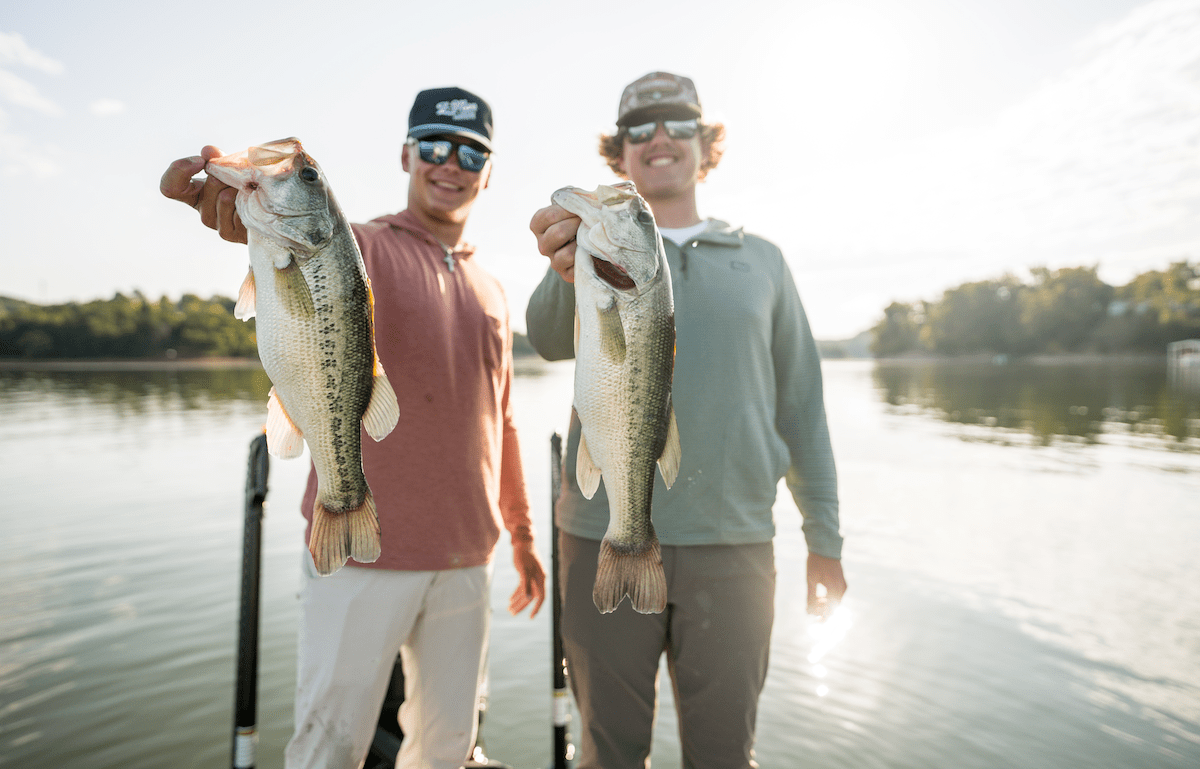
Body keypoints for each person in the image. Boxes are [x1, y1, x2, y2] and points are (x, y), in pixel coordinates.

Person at [160, 87, 547, 769]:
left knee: (451, 747)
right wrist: (234, 214)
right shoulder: (361, 244)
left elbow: (504, 422)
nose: (449, 164)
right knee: (329, 745)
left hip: (468, 555)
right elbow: (283, 242)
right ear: (406, 154)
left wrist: (520, 534)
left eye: (469, 152)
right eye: (433, 146)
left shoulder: (494, 288)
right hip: (364, 551)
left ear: (487, 171)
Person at [525, 71, 847, 769]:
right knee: (606, 752)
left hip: (733, 544)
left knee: (726, 754)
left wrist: (825, 540)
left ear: (707, 145)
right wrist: (563, 268)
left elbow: (803, 409)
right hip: (600, 533)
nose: (660, 139)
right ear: (620, 153)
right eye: (640, 129)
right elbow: (548, 342)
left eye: (678, 124)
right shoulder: (588, 248)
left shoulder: (762, 260)